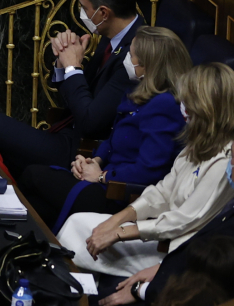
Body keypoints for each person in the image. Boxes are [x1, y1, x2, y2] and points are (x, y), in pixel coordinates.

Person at [56, 63, 234, 280]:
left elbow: (184, 219)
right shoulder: (197, 144)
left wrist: (121, 232)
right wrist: (116, 220)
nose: (183, 106)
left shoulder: (226, 161)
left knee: (78, 237)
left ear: (205, 107)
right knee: (77, 223)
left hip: (176, 249)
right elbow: (162, 192)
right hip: (158, 230)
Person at [0, 0, 144, 178]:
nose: (83, 14)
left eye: (85, 8)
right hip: (67, 132)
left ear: (103, 13)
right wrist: (64, 63)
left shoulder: (136, 55)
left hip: (84, 151)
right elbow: (76, 98)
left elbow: (91, 123)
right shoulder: (111, 35)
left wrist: (73, 67)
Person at [18, 27, 191, 231]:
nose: (126, 58)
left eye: (131, 55)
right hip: (104, 179)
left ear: (147, 66)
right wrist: (94, 161)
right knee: (39, 207)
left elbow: (149, 170)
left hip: (119, 196)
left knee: (32, 175)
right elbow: (113, 138)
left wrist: (102, 176)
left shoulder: (165, 105)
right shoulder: (138, 92)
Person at [97, 158, 234, 305]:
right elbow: (163, 192)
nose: (230, 165)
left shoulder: (220, 163)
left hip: (177, 288)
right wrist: (160, 267)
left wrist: (141, 290)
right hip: (170, 270)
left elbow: (212, 274)